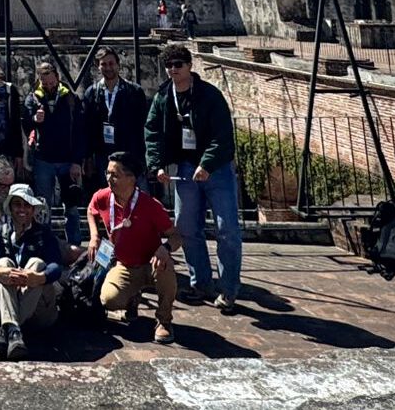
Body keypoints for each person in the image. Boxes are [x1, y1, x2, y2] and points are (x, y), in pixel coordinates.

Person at [146, 44, 242, 311]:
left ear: (190, 66)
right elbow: (152, 133)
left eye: (179, 65)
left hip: (217, 169)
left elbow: (222, 135)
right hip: (186, 170)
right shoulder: (164, 97)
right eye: (169, 66)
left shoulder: (210, 96)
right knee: (187, 229)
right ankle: (201, 283)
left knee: (227, 230)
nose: (174, 70)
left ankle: (229, 289)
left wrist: (208, 163)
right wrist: (158, 166)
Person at [88, 152, 181, 344]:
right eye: (107, 173)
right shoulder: (103, 197)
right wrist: (94, 236)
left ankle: (164, 321)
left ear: (131, 178)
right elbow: (91, 210)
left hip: (152, 264)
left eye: (115, 175)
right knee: (108, 300)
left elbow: (177, 235)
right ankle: (132, 298)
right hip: (125, 265)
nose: (108, 178)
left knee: (166, 268)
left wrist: (166, 248)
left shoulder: (150, 205)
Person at [0, 184, 63, 360]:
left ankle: (9, 329)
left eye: (27, 205)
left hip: (39, 309)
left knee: (37, 263)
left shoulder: (44, 233)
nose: (22, 210)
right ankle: (14, 333)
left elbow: (56, 266)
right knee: (3, 263)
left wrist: (39, 278)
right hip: (5, 303)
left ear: (33, 209)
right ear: (10, 208)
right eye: (17, 204)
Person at [22, 60, 88, 243]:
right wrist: (35, 119)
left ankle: (74, 244)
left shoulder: (70, 98)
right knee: (43, 206)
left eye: (52, 83)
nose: (50, 87)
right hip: (43, 160)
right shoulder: (32, 98)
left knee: (72, 206)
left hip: (67, 159)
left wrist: (77, 161)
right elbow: (25, 124)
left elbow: (79, 131)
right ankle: (46, 242)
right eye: (46, 84)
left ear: (58, 79)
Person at [82, 49, 150, 193]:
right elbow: (86, 128)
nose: (108, 67)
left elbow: (144, 125)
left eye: (111, 63)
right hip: (103, 157)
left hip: (131, 155)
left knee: (138, 199)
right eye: (104, 64)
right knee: (109, 201)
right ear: (98, 67)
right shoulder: (92, 93)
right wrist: (88, 157)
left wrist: (145, 158)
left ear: (118, 65)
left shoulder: (134, 91)